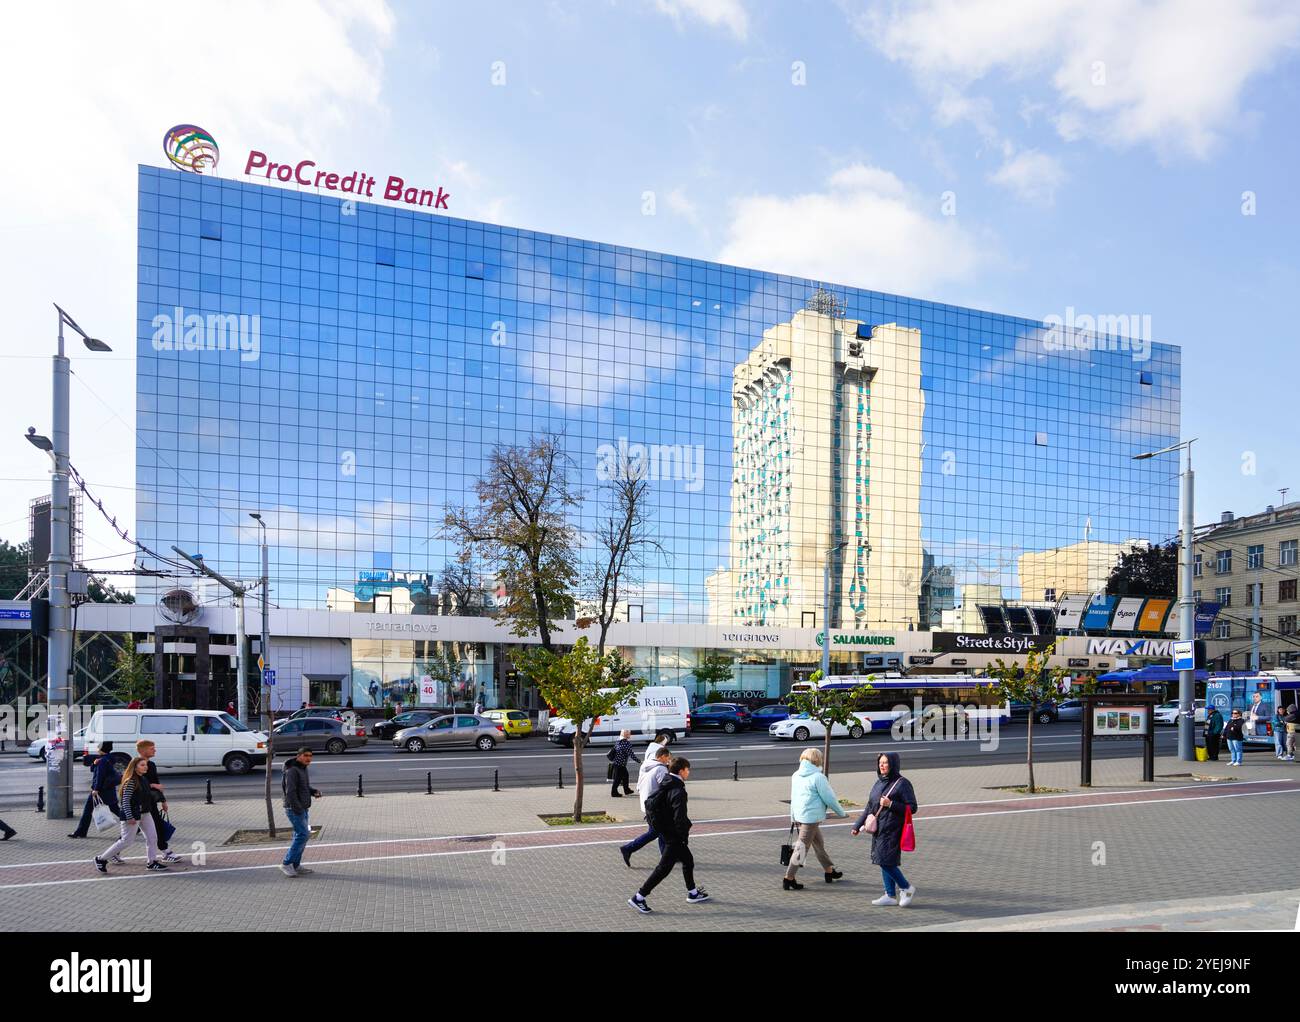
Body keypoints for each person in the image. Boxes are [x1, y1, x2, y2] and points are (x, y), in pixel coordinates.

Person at [628, 757, 709, 913]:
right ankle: (638, 897)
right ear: (681, 771)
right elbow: (679, 817)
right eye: (688, 769)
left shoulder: (666, 782)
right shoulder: (678, 790)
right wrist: (682, 837)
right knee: (663, 869)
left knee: (688, 860)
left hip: (665, 831)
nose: (689, 772)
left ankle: (692, 893)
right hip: (674, 835)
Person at [852, 752, 919, 907]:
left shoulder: (903, 784)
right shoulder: (878, 783)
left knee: (885, 861)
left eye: (885, 763)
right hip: (879, 829)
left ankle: (906, 887)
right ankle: (889, 895)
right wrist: (857, 825)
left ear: (893, 765)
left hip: (893, 829)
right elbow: (870, 806)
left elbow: (913, 807)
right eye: (880, 763)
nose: (882, 765)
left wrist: (891, 804)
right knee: (883, 859)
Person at [784, 747, 848, 890]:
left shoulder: (796, 775)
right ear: (817, 760)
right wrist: (841, 813)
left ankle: (829, 871)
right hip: (811, 818)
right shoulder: (818, 777)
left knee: (819, 844)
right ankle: (788, 878)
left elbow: (793, 798)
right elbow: (829, 798)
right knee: (801, 848)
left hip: (800, 816)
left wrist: (792, 816)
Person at [94, 757, 166, 872]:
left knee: (152, 837)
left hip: (145, 813)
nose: (145, 767)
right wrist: (129, 816)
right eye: (142, 765)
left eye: (145, 765)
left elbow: (145, 795)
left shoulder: (143, 779)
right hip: (133, 814)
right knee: (126, 840)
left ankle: (152, 862)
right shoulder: (131, 781)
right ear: (135, 767)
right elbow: (125, 800)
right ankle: (101, 859)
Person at [620, 744, 672, 866]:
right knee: (656, 832)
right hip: (656, 806)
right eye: (668, 758)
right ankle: (628, 848)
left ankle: (667, 856)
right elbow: (665, 787)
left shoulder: (646, 765)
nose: (668, 760)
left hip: (646, 802)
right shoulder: (661, 769)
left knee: (660, 831)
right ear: (662, 756)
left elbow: (639, 785)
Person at [136, 740, 180, 863]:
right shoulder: (136, 764)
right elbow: (134, 783)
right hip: (139, 804)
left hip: (151, 802)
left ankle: (165, 852)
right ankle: (113, 853)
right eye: (151, 748)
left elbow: (157, 783)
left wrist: (163, 801)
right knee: (130, 832)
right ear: (143, 750)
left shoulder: (153, 765)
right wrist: (153, 785)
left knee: (157, 827)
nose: (154, 750)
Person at [281, 747, 322, 877]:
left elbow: (303, 786)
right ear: (298, 756)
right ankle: (286, 863)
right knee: (303, 835)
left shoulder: (302, 769)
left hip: (302, 808)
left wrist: (313, 791)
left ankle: (295, 865)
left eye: (310, 756)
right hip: (294, 809)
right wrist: (297, 808)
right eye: (305, 755)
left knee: (300, 836)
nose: (308, 758)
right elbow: (290, 792)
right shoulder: (292, 771)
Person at [69, 742, 120, 839]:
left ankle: (81, 831)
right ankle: (135, 825)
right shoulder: (110, 759)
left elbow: (99, 776)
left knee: (87, 811)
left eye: (98, 748)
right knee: (115, 809)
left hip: (100, 791)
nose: (97, 749)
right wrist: (94, 763)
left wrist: (96, 789)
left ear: (102, 749)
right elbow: (94, 769)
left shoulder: (102, 761)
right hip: (109, 789)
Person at [609, 730, 639, 797]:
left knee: (625, 776)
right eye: (629, 734)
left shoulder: (618, 741)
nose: (630, 735)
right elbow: (631, 754)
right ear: (626, 735)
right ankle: (614, 792)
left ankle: (626, 790)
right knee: (617, 779)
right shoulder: (626, 744)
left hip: (617, 763)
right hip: (620, 764)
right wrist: (639, 761)